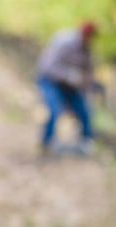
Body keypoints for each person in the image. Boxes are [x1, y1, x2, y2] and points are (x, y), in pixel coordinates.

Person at [36, 22, 97, 156]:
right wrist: (68, 75)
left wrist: (91, 84)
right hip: (50, 80)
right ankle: (46, 143)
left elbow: (87, 72)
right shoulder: (64, 41)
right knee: (53, 110)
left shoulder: (87, 49)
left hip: (69, 85)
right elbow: (48, 66)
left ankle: (86, 142)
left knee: (84, 110)